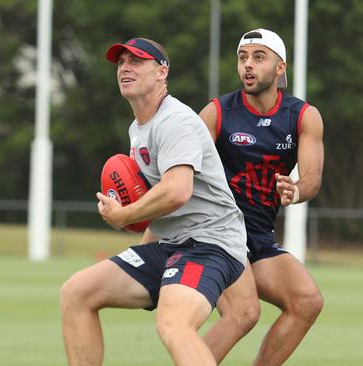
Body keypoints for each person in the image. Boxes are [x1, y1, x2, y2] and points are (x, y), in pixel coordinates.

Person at [59, 37, 249, 366]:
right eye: (121, 63)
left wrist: (123, 216)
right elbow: (163, 213)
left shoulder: (176, 121)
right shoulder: (139, 129)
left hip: (210, 245)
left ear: (162, 71)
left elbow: (177, 191)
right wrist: (138, 254)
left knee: (174, 323)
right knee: (77, 291)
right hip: (172, 246)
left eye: (136, 61)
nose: (125, 68)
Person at [199, 28, 325, 365]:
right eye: (243, 58)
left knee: (307, 302)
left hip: (257, 236)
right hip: (218, 235)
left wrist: (296, 190)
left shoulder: (302, 116)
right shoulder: (216, 112)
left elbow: (312, 179)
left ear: (280, 68)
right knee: (242, 314)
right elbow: (182, 170)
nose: (248, 66)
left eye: (258, 57)